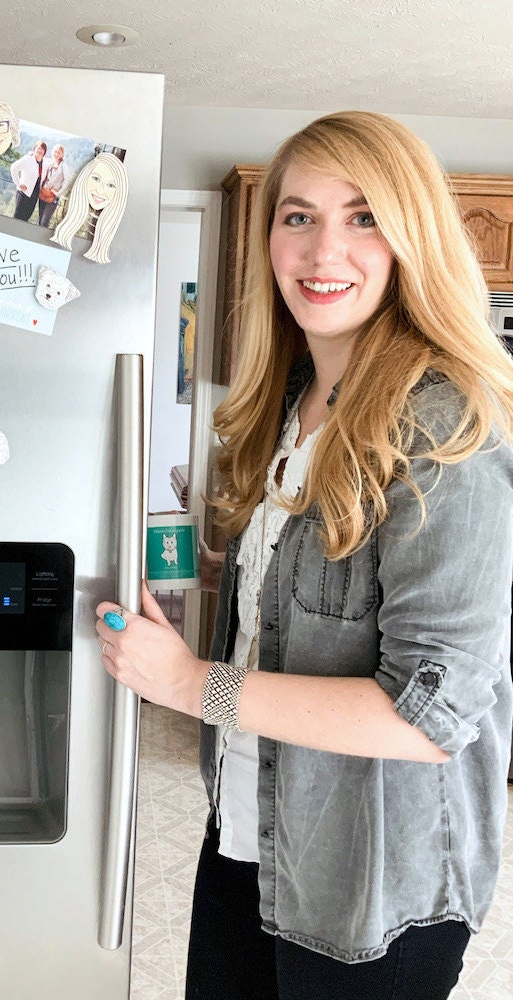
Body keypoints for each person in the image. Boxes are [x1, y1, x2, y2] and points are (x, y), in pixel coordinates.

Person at [95, 110, 513, 1000]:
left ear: (414, 238)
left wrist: (185, 683)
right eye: (298, 216)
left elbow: (427, 716)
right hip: (251, 830)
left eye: (364, 216)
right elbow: (307, 599)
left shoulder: (445, 429)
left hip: (374, 891)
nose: (325, 250)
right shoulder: (289, 401)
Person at [50, 151, 127, 263]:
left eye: (111, 185)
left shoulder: (119, 230)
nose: (100, 190)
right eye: (96, 179)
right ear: (85, 177)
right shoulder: (67, 200)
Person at [10, 140, 48, 222]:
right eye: (38, 148)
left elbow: (55, 163)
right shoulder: (28, 159)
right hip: (23, 193)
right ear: (34, 149)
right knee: (17, 217)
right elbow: (13, 168)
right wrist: (18, 183)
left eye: (42, 149)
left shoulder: (45, 162)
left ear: (44, 152)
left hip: (34, 196)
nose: (40, 150)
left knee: (26, 219)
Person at [38, 144, 69, 228]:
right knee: (40, 220)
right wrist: (31, 153)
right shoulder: (50, 162)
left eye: (58, 152)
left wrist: (58, 193)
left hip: (53, 197)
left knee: (44, 221)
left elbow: (67, 181)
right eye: (55, 152)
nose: (56, 154)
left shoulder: (63, 166)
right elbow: (39, 158)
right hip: (43, 194)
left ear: (62, 154)